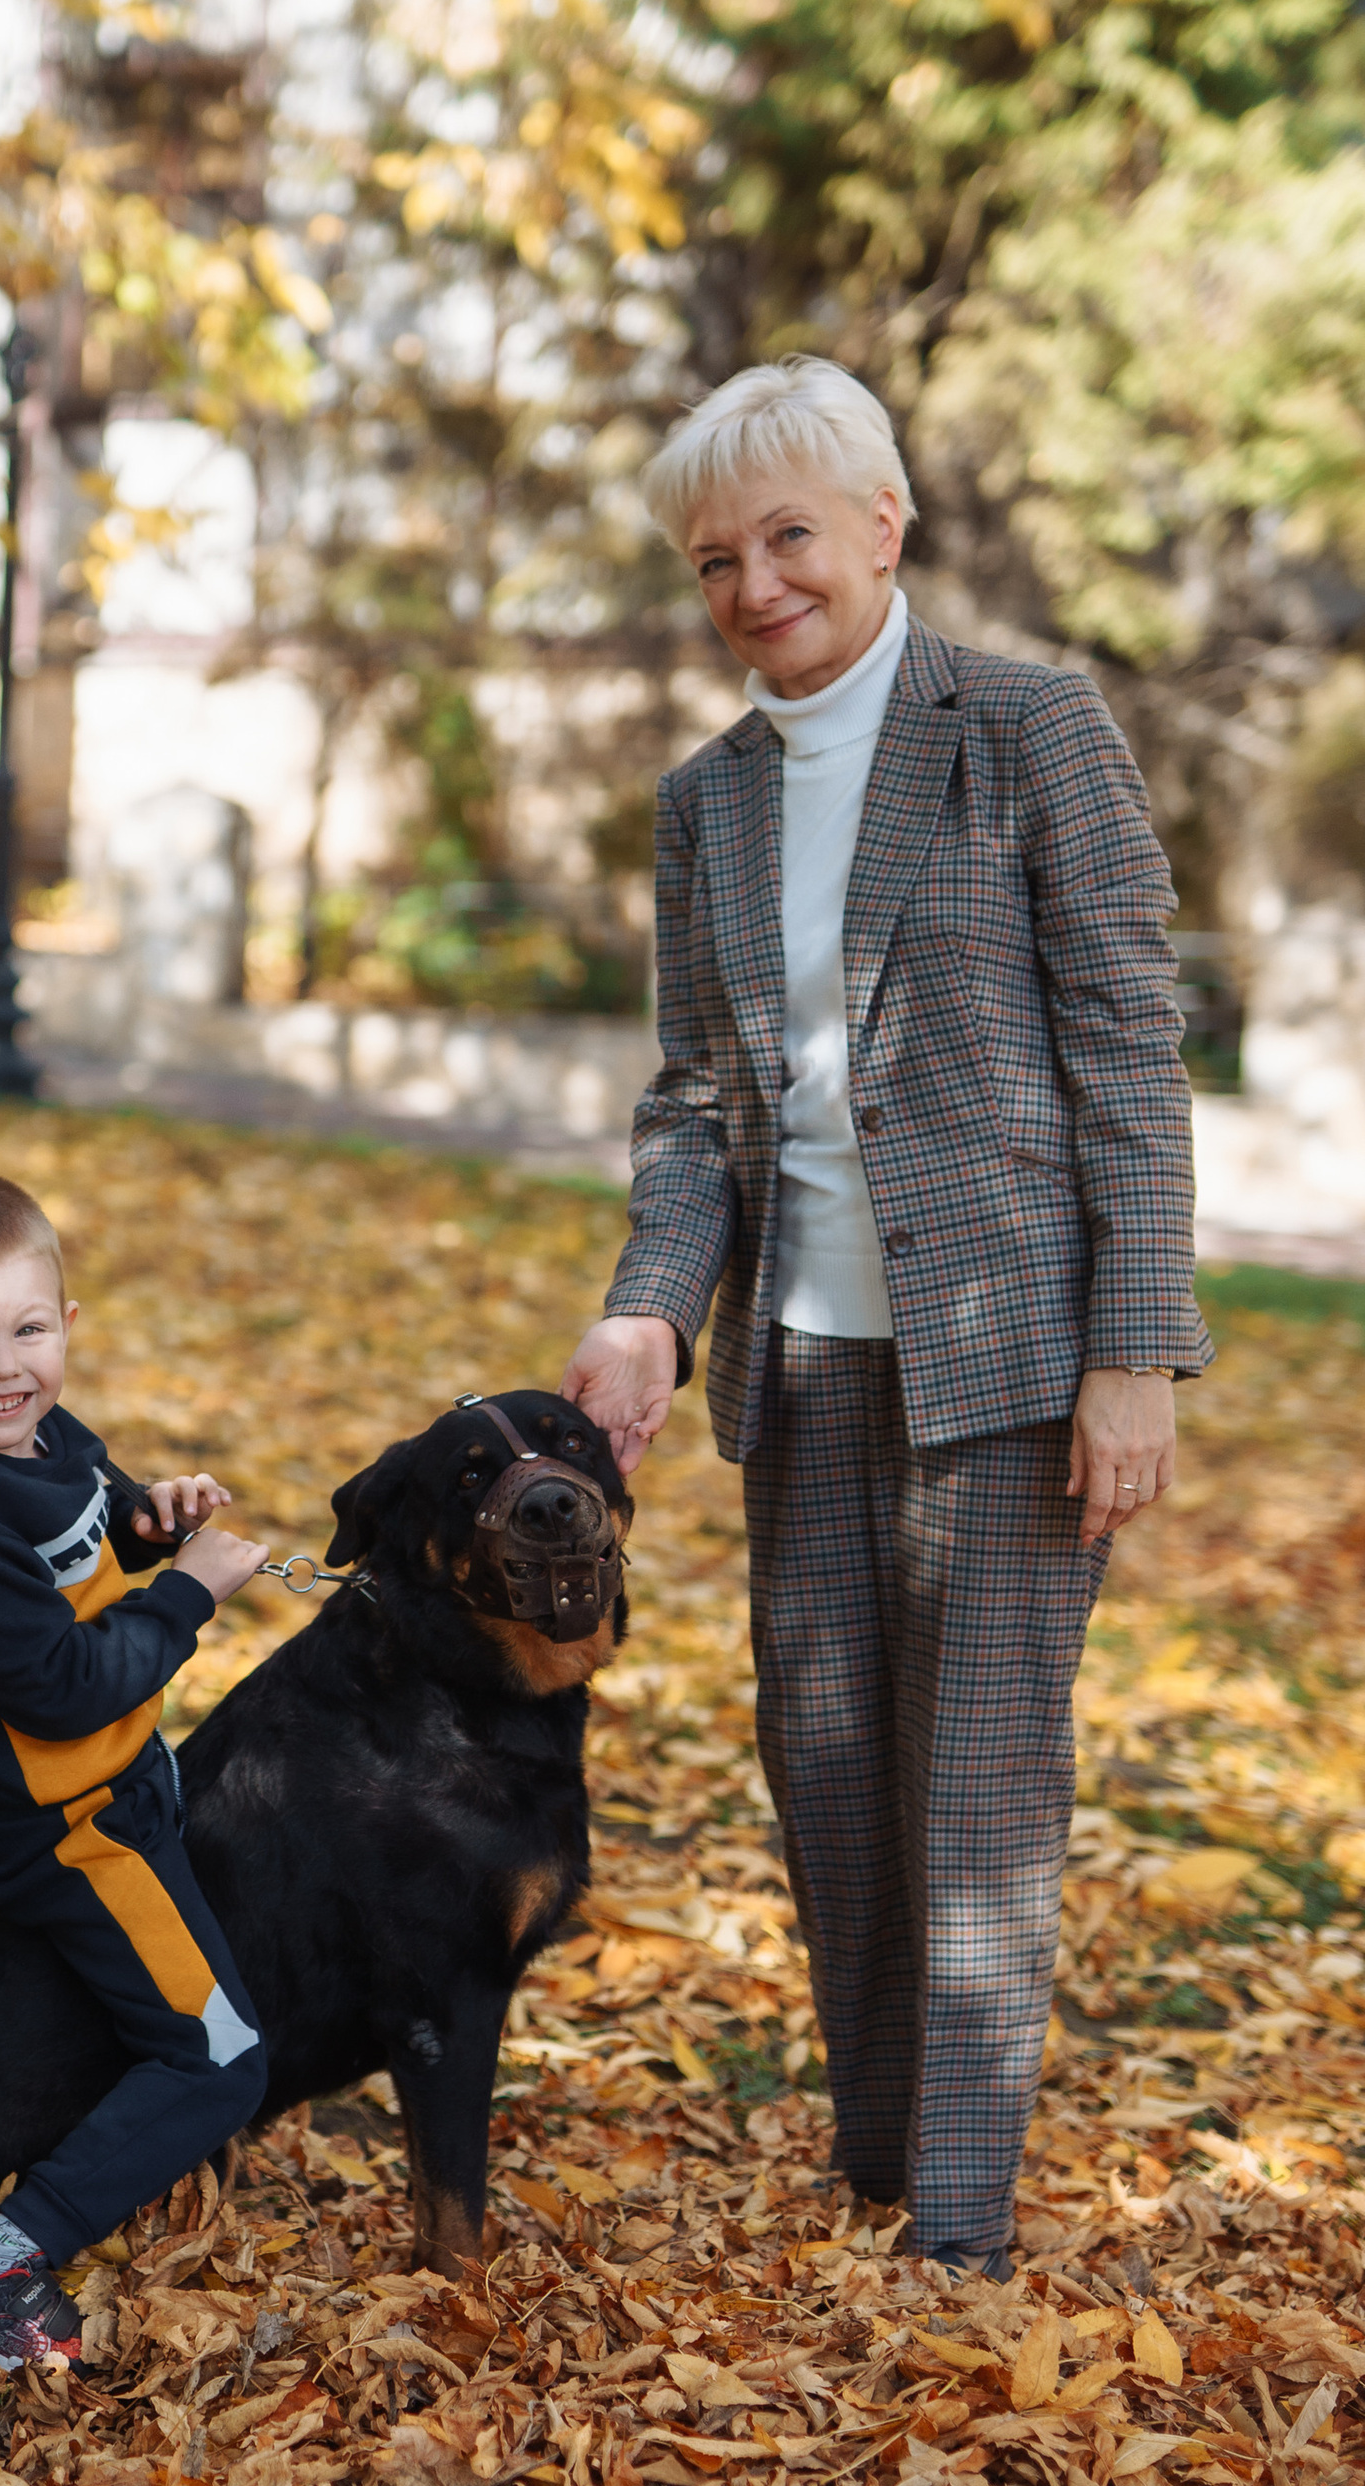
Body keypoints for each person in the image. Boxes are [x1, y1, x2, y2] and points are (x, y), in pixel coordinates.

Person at [561, 358, 1212, 2281]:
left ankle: (962, 2233)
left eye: (788, 539)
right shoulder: (706, 805)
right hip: (806, 1367)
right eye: (715, 561)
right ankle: (879, 2173)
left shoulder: (1027, 729)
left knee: (982, 1793)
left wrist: (1134, 1348)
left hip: (1013, 1363)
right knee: (831, 1774)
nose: (757, 586)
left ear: (880, 529)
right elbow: (696, 1105)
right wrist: (648, 1317)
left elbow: (1129, 1048)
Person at [0, 1172, 272, 2370]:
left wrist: (149, 1524)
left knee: (189, 2005)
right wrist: (191, 1594)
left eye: (28, 1329)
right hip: (68, 1822)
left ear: (66, 1328)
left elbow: (83, 1521)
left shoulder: (29, 1430)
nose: (1, 1364)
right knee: (220, 2057)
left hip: (118, 1786)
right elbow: (66, 1680)